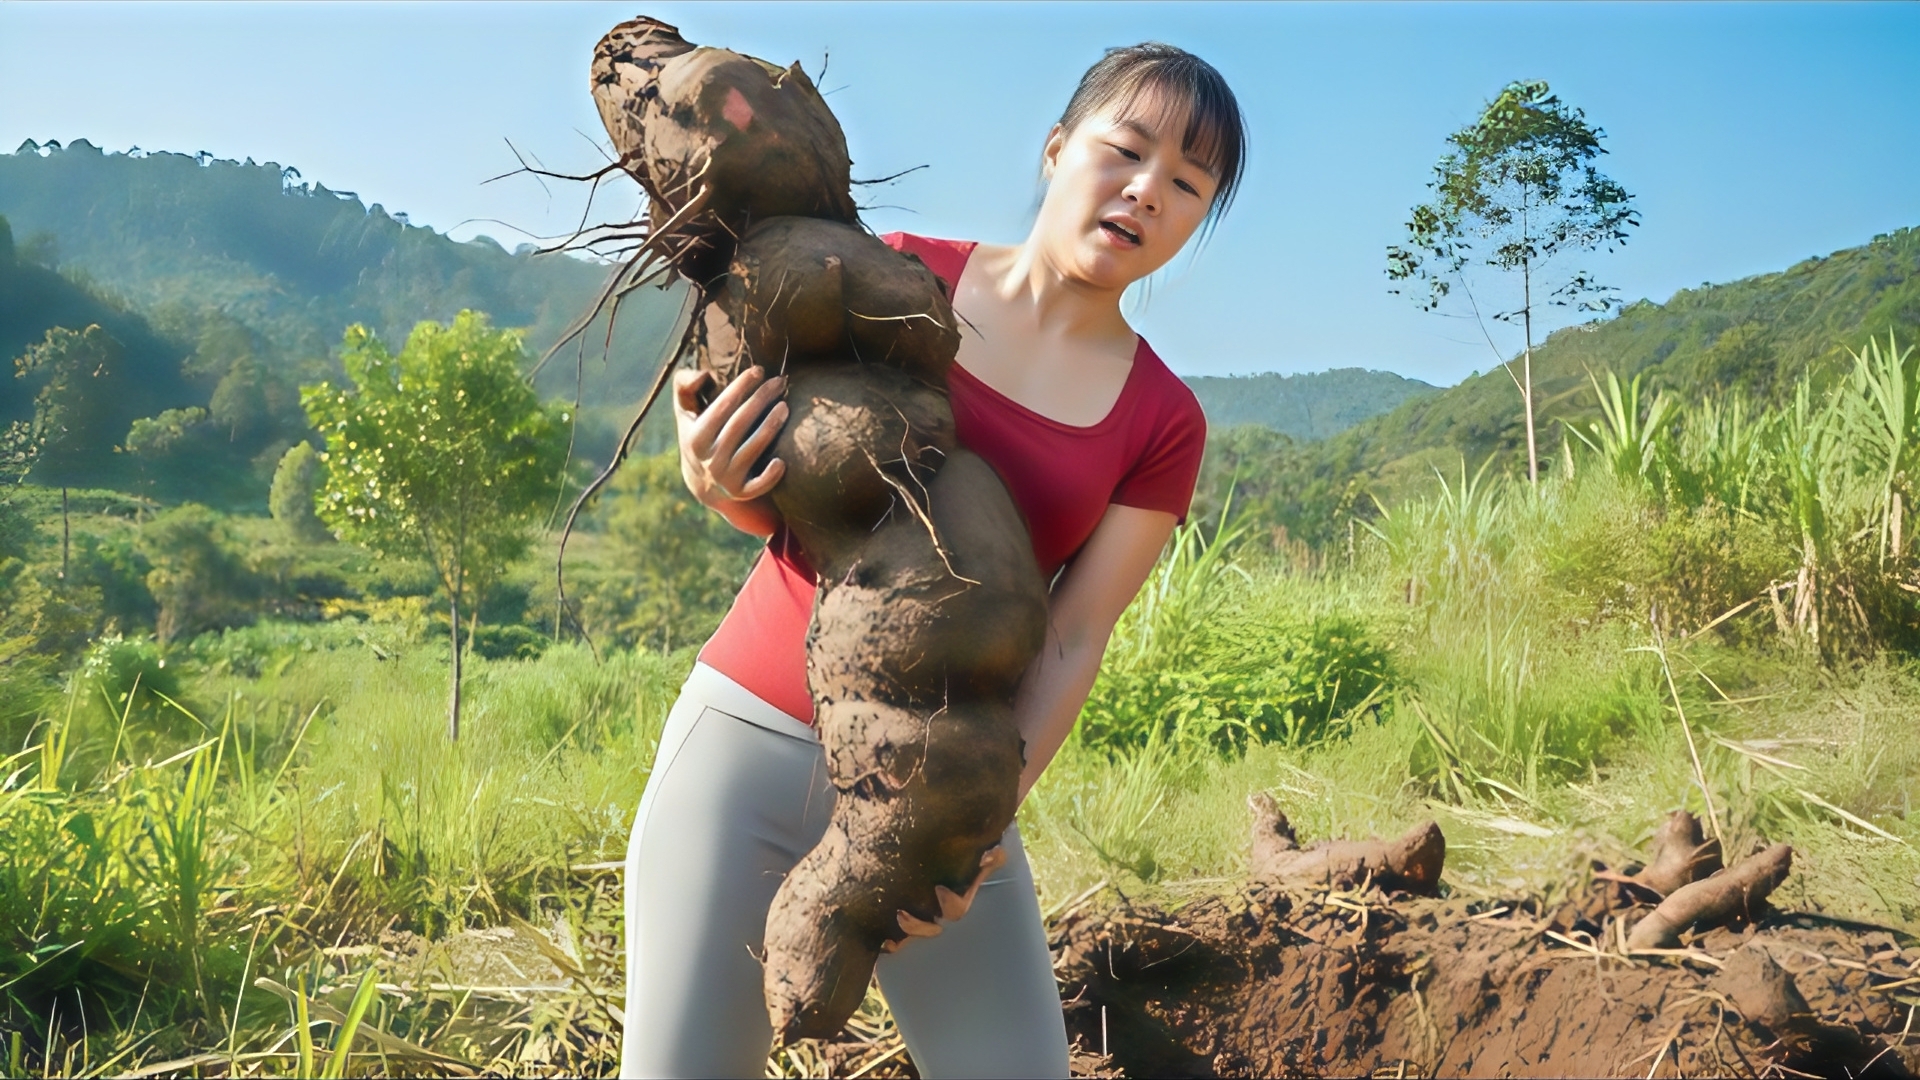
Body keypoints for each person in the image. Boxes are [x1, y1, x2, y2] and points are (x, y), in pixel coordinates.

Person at [621, 40, 1246, 1080]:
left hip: (938, 784)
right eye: (1125, 151)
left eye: (1186, 185)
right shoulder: (903, 270)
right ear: (1057, 150)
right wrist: (710, 469)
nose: (1145, 193)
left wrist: (981, 831)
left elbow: (1077, 633)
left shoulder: (1163, 419)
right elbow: (766, 488)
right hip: (746, 744)